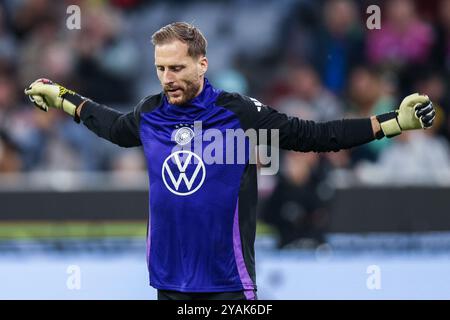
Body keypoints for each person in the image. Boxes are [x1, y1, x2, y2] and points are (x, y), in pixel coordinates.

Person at [24, 22, 435, 300]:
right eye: (161, 69)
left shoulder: (238, 113)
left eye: (178, 68)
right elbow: (114, 128)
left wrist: (392, 122)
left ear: (202, 64)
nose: (168, 78)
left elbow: (313, 136)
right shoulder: (151, 113)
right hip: (168, 279)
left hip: (227, 283)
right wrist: (64, 98)